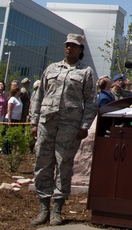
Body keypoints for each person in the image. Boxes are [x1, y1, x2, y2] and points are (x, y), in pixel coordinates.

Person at [30, 33, 96, 227]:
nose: (69, 48)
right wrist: (34, 122)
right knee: (42, 163)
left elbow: (91, 101)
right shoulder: (51, 69)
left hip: (70, 126)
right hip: (46, 123)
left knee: (63, 165)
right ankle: (43, 208)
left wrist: (85, 126)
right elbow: (39, 96)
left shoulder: (85, 72)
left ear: (80, 49)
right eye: (67, 45)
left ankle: (57, 209)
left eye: (74, 46)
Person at [4, 84, 24, 155]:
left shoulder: (18, 99)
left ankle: (10, 150)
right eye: (19, 90)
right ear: (17, 91)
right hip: (11, 118)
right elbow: (9, 110)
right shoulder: (12, 99)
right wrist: (9, 120)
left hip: (16, 119)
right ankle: (5, 151)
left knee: (13, 135)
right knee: (8, 135)